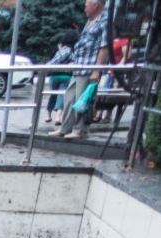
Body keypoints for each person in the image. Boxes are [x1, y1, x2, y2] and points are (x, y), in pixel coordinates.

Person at [49, 0, 108, 140]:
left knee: (83, 100)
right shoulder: (90, 21)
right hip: (79, 66)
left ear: (96, 5)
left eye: (86, 5)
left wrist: (96, 70)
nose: (84, 8)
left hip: (89, 67)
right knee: (69, 98)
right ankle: (65, 127)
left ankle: (80, 130)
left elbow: (104, 48)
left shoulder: (104, 21)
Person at [45, 31, 77, 124]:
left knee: (53, 94)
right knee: (62, 95)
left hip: (55, 75)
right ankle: (58, 116)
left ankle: (48, 114)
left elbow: (54, 61)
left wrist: (44, 69)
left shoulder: (64, 49)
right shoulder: (75, 50)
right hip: (67, 76)